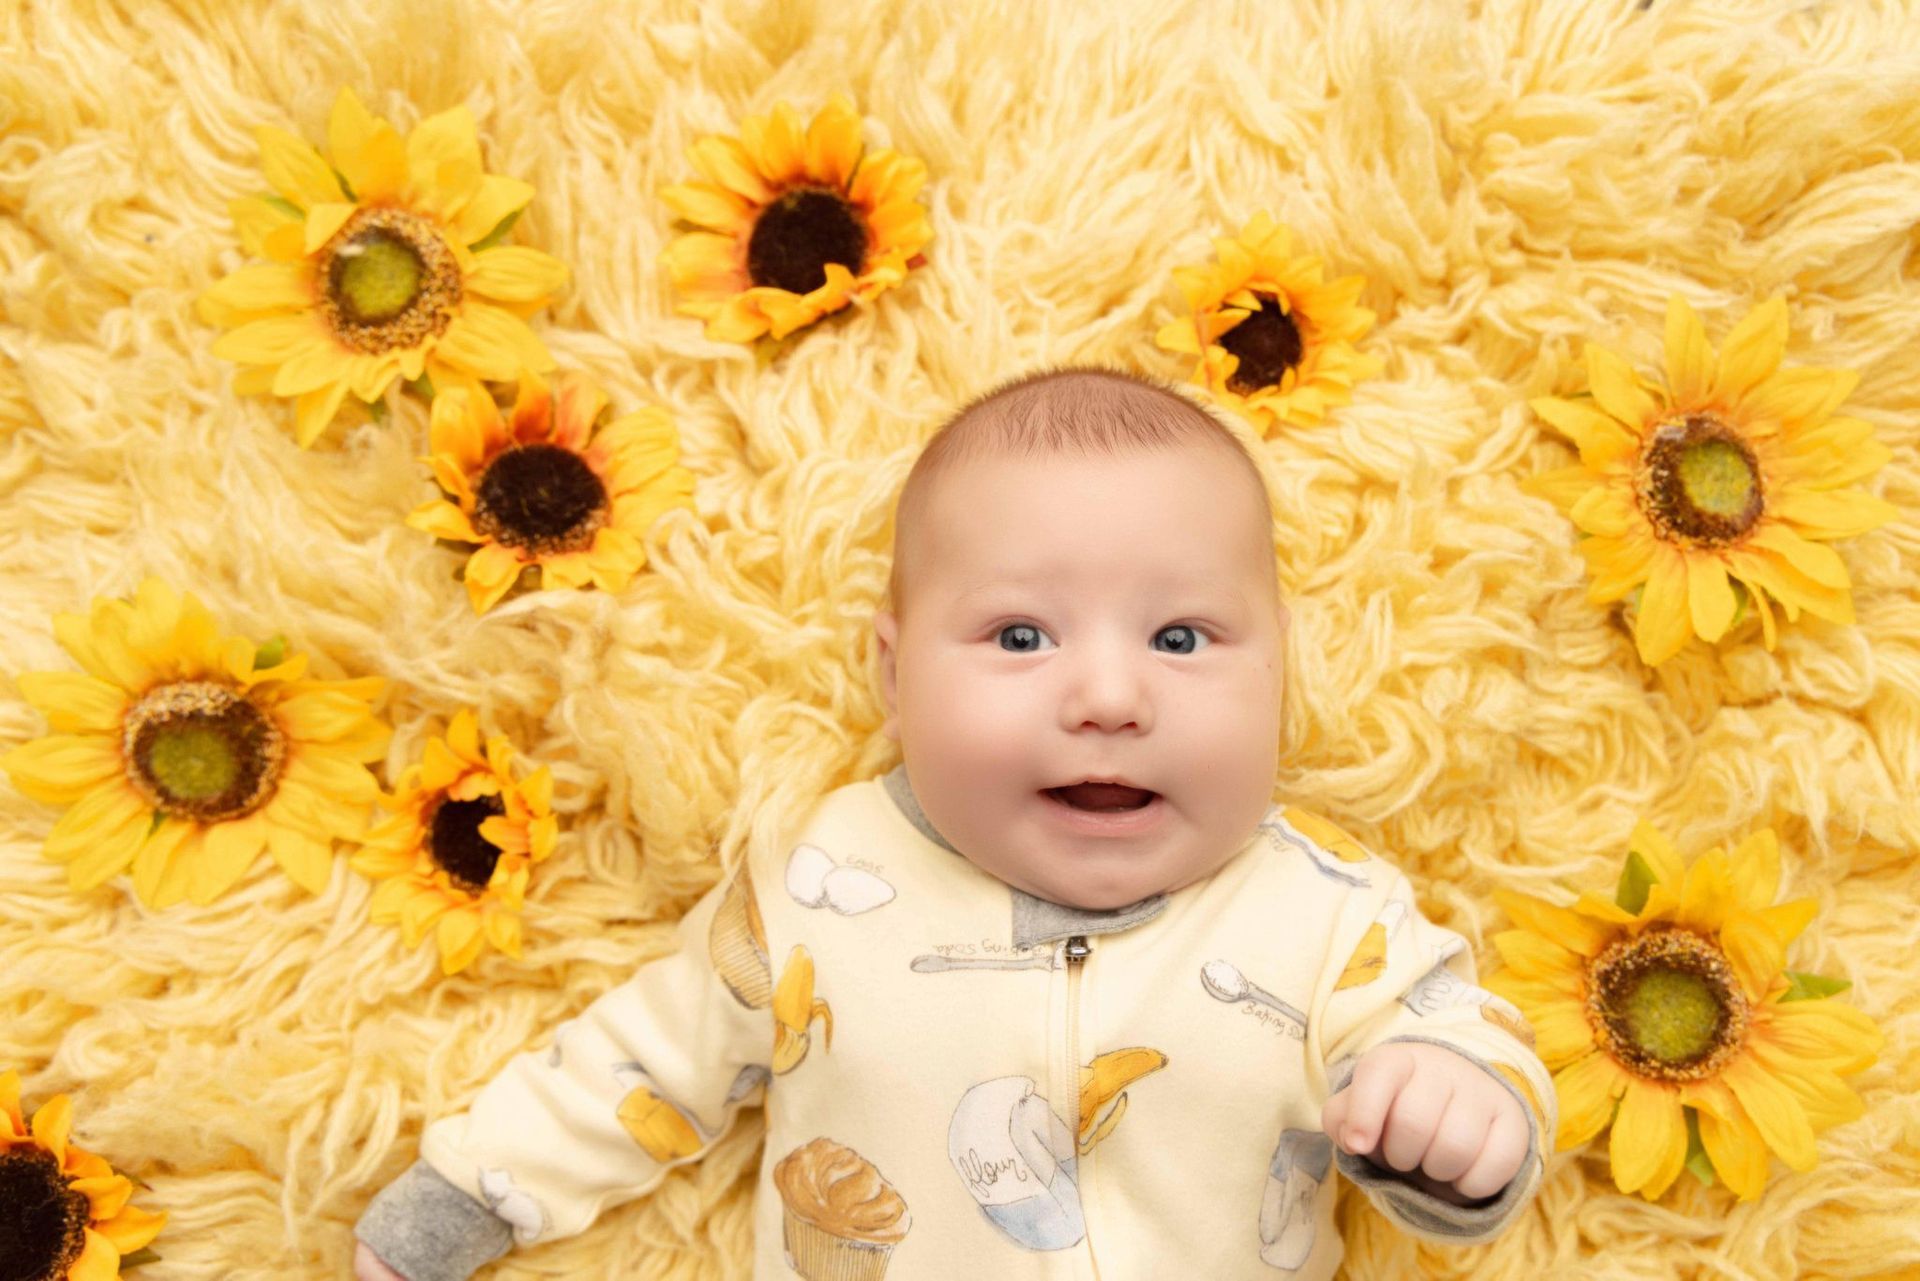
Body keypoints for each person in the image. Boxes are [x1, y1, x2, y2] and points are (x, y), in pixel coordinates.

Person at [354, 366, 1555, 1280]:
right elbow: (644, 1060)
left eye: (1181, 638)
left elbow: (1464, 1037)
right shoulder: (821, 881)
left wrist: (1458, 1104)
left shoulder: (1325, 916)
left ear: (1279, 671)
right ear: (893, 674)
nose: (1109, 697)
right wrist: (467, 1193)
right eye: (1020, 636)